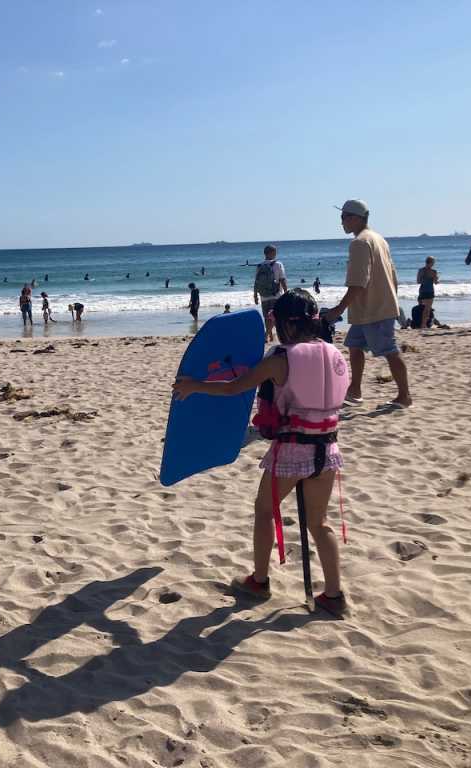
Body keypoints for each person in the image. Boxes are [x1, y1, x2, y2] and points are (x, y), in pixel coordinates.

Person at [172, 289, 349, 615]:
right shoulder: (335, 353)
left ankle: (259, 580)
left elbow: (234, 387)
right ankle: (335, 595)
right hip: (328, 450)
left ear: (286, 324)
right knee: (319, 523)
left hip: (293, 450)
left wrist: (194, 386)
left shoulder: (281, 360)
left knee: (265, 509)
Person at [323, 199, 411, 408]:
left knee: (390, 351)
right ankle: (355, 391)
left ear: (355, 218)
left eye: (344, 217)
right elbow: (393, 274)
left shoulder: (360, 243)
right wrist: (393, 300)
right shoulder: (379, 239)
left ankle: (404, 396)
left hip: (374, 308)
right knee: (354, 347)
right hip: (371, 308)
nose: (341, 222)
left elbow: (358, 282)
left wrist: (338, 310)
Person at [253, 245, 287, 342]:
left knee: (267, 317)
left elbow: (256, 282)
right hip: (276, 295)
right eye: (275, 252)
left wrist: (255, 295)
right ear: (273, 253)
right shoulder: (278, 264)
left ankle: (271, 337)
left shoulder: (259, 265)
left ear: (264, 253)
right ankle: (266, 335)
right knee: (275, 316)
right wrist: (286, 292)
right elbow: (282, 279)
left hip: (264, 296)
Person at [416, 257, 438, 329]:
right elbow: (436, 282)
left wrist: (425, 278)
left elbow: (418, 281)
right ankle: (423, 324)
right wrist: (435, 278)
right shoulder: (434, 271)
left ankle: (419, 323)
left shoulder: (421, 270)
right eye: (433, 262)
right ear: (432, 263)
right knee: (427, 309)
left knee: (421, 308)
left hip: (422, 290)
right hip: (429, 290)